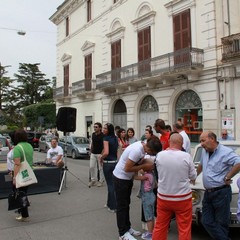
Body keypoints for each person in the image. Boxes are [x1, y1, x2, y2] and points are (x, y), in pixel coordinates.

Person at [113, 137, 162, 240]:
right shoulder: (137, 150)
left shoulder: (142, 148)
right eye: (152, 153)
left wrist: (146, 163)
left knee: (126, 204)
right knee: (122, 206)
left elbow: (137, 163)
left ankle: (127, 228)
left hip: (127, 179)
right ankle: (122, 233)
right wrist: (144, 166)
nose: (151, 155)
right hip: (121, 178)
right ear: (149, 148)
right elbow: (127, 168)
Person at [197, 131, 240, 240]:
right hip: (208, 192)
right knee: (206, 221)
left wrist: (228, 177)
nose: (201, 143)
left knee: (221, 223)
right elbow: (201, 164)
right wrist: (194, 176)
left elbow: (238, 163)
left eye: (203, 140)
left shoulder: (225, 152)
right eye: (200, 141)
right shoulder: (204, 151)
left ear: (212, 139)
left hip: (221, 192)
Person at [153, 133, 197, 240]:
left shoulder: (160, 155)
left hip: (164, 197)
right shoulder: (186, 156)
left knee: (160, 226)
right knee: (184, 228)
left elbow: (157, 172)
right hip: (182, 198)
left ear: (169, 141)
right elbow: (193, 176)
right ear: (181, 144)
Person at [12, 129, 34, 222]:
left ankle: (25, 215)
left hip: (21, 173)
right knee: (24, 192)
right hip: (29, 172)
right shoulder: (29, 145)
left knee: (21, 194)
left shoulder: (17, 148)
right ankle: (22, 211)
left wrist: (14, 177)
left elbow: (17, 164)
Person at [134, 159, 156, 240]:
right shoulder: (151, 174)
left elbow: (135, 177)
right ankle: (152, 231)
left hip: (147, 197)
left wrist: (136, 168)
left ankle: (150, 234)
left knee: (148, 216)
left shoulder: (146, 176)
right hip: (151, 195)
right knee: (151, 215)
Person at [99, 123, 118, 212]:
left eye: (105, 128)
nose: (103, 129)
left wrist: (101, 157)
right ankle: (109, 203)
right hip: (114, 162)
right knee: (112, 184)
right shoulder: (115, 138)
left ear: (109, 130)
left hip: (107, 163)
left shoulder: (105, 139)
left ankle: (113, 206)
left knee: (110, 185)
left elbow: (106, 152)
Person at [88, 122, 104, 187]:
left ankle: (101, 181)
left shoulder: (103, 135)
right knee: (91, 167)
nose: (95, 128)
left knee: (100, 168)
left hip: (100, 154)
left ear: (100, 128)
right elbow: (92, 143)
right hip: (93, 153)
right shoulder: (93, 134)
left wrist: (102, 154)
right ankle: (93, 180)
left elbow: (104, 145)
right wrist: (91, 151)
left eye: (96, 127)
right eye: (94, 127)